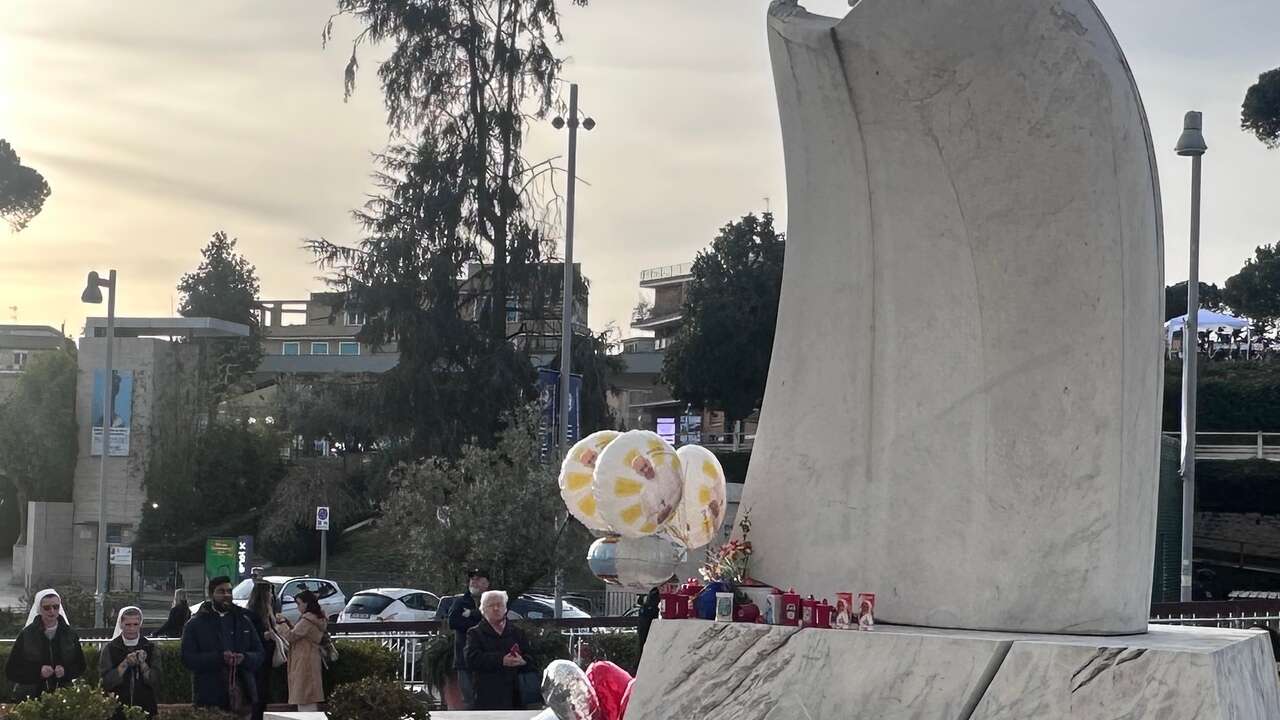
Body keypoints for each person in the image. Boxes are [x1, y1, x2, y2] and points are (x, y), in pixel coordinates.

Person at [181, 576, 265, 718]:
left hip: (243, 695)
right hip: (209, 697)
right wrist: (219, 658)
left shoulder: (244, 621)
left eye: (229, 591)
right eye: (221, 591)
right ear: (211, 594)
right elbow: (187, 658)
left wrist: (244, 658)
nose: (226, 595)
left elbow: (259, 653)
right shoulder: (195, 624)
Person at [5, 588, 86, 700]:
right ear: (39, 609)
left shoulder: (70, 634)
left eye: (55, 607)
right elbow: (11, 670)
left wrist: (65, 672)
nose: (52, 611)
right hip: (32, 697)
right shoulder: (26, 635)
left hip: (63, 695)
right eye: (47, 608)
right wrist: (38, 672)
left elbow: (81, 665)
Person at [465, 590, 533, 710]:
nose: (496, 608)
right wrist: (501, 660)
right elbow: (471, 659)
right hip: (487, 693)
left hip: (515, 694)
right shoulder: (475, 633)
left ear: (505, 608)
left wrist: (523, 661)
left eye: (500, 605)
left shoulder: (517, 632)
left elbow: (531, 658)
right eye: (491, 605)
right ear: (483, 609)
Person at [100, 606, 160, 719]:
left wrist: (143, 664)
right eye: (128, 624)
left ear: (140, 624)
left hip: (145, 707)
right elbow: (105, 682)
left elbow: (155, 681)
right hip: (117, 708)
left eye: (135, 624)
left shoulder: (150, 647)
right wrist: (124, 664)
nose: (132, 628)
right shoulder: (110, 648)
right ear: (121, 624)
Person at [275, 590, 326, 712]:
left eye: (299, 604)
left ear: (306, 603)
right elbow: (298, 633)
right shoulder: (316, 618)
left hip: (304, 660)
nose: (297, 607)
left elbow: (291, 636)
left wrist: (282, 623)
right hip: (310, 658)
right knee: (308, 695)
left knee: (304, 695)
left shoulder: (307, 620)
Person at [448, 567, 489, 708]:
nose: (474, 583)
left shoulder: (491, 602)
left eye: (478, 580)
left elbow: (494, 621)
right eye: (472, 580)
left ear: (486, 583)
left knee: (486, 697)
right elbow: (453, 622)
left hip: (485, 657)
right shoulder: (460, 602)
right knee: (469, 700)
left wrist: (472, 614)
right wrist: (477, 623)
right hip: (464, 658)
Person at [246, 582, 281, 720]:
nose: (272, 595)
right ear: (263, 594)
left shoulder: (269, 610)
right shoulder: (253, 612)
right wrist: (265, 635)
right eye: (269, 592)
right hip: (259, 656)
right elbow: (251, 634)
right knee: (259, 690)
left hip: (267, 655)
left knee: (263, 690)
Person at [635, 588, 660, 659]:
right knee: (645, 644)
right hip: (647, 622)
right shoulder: (654, 594)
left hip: (644, 622)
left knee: (642, 645)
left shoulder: (650, 594)